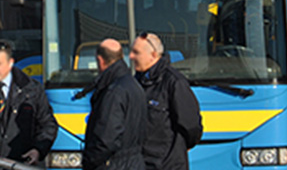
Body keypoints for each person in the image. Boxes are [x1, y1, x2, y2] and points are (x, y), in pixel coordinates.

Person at [129, 32, 202, 170]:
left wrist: (177, 150)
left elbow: (190, 125)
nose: (131, 57)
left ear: (153, 55)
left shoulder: (174, 82)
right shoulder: (136, 82)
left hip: (167, 165)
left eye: (136, 52)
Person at [0, 40, 58, 165]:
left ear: (11, 63)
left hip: (21, 163)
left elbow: (47, 124)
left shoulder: (32, 89)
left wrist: (37, 150)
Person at [81, 39, 147, 170]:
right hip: (135, 162)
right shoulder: (134, 85)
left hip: (115, 164)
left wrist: (89, 161)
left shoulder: (113, 91)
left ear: (100, 60)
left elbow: (106, 139)